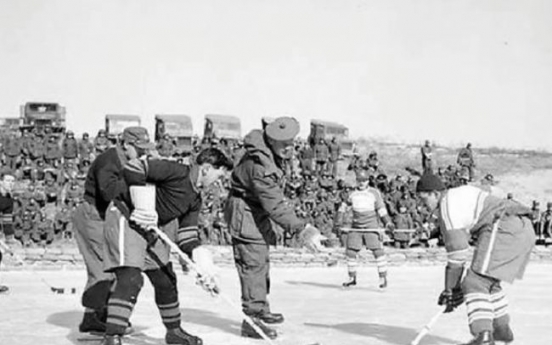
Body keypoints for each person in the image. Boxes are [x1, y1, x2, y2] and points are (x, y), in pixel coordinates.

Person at [100, 146, 233, 345]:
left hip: (152, 228)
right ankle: (112, 335)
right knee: (131, 278)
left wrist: (202, 264)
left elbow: (187, 236)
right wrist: (141, 203)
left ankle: (174, 331)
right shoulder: (176, 171)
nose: (218, 183)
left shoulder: (195, 198)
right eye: (218, 176)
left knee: (166, 278)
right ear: (206, 169)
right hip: (125, 217)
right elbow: (134, 167)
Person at [224, 116, 323, 340]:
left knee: (261, 262)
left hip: (254, 210)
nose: (289, 149)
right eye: (283, 145)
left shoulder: (269, 155)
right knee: (252, 263)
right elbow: (275, 204)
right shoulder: (260, 167)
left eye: (291, 143)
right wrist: (302, 229)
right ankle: (252, 319)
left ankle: (260, 307)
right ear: (270, 142)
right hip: (245, 213)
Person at [416, 173, 535, 345]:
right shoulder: (460, 192)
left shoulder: (447, 206)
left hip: (504, 226)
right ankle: (500, 330)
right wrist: (452, 290)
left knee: (474, 283)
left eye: (423, 199)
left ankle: (483, 336)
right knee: (488, 282)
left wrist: (451, 290)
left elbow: (457, 254)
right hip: (523, 228)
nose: (422, 205)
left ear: (435, 194)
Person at [73, 128, 148, 334]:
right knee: (102, 268)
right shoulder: (109, 161)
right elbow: (108, 192)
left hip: (106, 217)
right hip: (93, 215)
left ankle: (96, 314)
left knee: (109, 266)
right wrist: (137, 176)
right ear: (126, 144)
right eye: (139, 149)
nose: (142, 153)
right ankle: (95, 315)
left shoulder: (128, 160)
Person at [342, 170, 394, 288]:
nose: (362, 183)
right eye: (359, 181)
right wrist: (338, 222)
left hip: (370, 225)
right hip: (356, 226)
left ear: (368, 181)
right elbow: (343, 207)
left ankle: (382, 277)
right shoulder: (352, 194)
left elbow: (381, 209)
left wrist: (388, 223)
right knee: (350, 251)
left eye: (364, 181)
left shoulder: (374, 193)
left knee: (377, 251)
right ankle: (352, 277)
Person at [0, 172, 15, 294]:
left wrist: (9, 240)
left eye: (12, 181)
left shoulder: (9, 200)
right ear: (1, 182)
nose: (10, 184)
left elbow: (7, 220)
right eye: (8, 181)